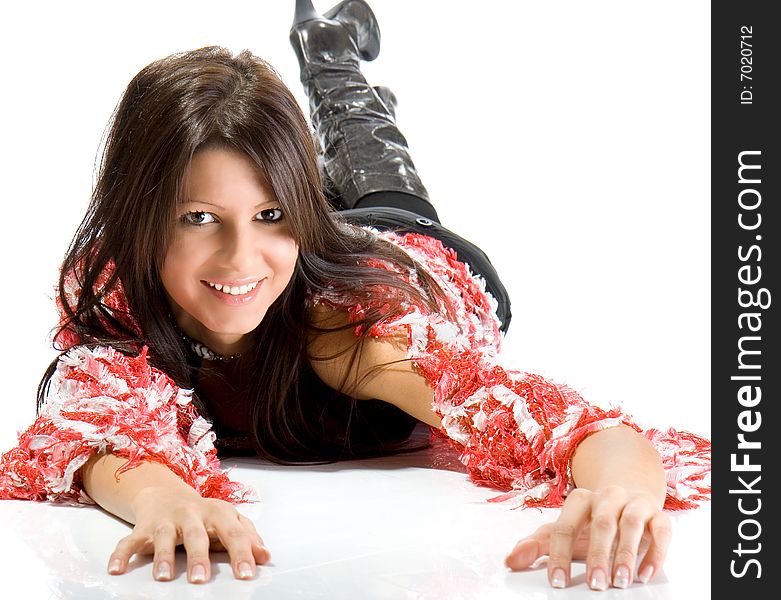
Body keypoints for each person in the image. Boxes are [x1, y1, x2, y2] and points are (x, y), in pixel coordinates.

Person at [0, 0, 710, 591]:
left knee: (380, 181)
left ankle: (331, 56)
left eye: (269, 215)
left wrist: (622, 492)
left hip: (393, 260)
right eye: (197, 219)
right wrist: (165, 501)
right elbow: (98, 433)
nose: (239, 258)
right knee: (280, 199)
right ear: (140, 216)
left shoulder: (351, 335)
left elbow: (570, 425)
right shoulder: (116, 300)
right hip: (306, 249)